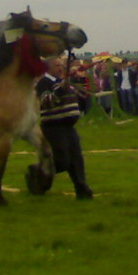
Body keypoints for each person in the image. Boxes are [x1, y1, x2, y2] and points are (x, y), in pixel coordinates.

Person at [35, 58, 93, 200]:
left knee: (76, 159)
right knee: (62, 161)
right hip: (53, 126)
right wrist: (62, 88)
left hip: (69, 126)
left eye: (61, 65)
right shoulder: (44, 83)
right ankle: (38, 175)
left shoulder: (62, 82)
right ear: (47, 68)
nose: (60, 68)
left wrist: (82, 93)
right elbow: (46, 101)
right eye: (57, 65)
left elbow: (74, 97)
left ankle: (82, 189)